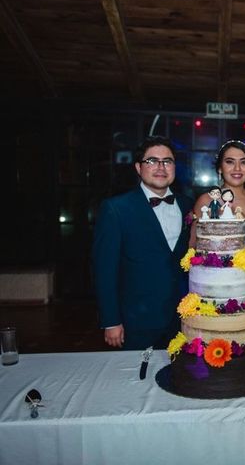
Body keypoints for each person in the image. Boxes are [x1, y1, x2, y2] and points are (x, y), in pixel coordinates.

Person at [93, 136, 194, 350]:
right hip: (136, 321)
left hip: (183, 319)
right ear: (139, 167)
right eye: (152, 161)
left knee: (181, 379)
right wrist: (111, 320)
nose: (161, 167)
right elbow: (104, 270)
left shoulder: (189, 206)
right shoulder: (116, 209)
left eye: (167, 161)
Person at [190, 140, 245, 292]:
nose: (237, 168)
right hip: (219, 284)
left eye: (244, 162)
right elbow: (193, 248)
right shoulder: (207, 201)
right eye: (230, 162)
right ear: (220, 168)